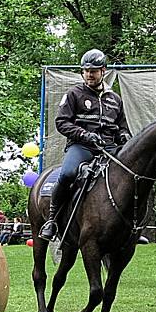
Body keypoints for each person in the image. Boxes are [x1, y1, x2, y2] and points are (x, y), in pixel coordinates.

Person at [38, 49, 131, 240]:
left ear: (103, 71)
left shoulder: (115, 99)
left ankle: (132, 227)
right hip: (82, 147)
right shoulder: (74, 94)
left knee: (130, 175)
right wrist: (84, 134)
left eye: (94, 70)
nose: (89, 74)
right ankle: (52, 220)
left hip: (108, 149)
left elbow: (122, 127)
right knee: (67, 173)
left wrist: (123, 136)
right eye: (86, 70)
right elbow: (62, 122)